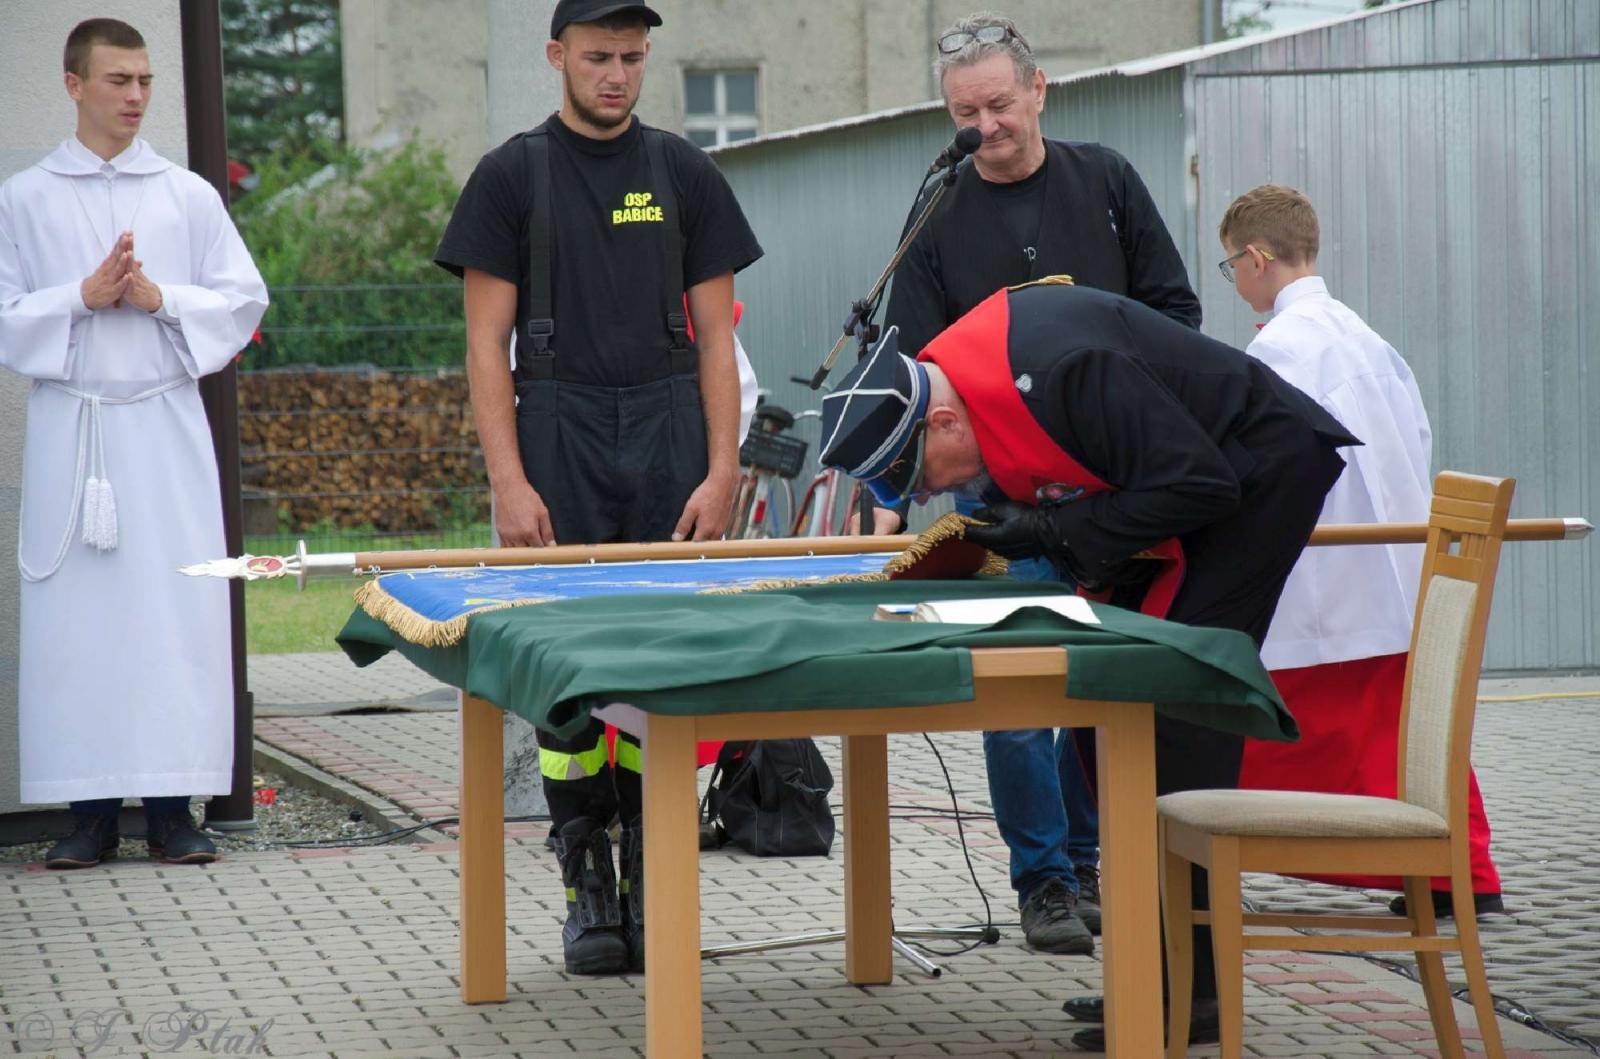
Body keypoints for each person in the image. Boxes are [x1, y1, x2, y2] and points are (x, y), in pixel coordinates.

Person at [818, 279, 1358, 1049]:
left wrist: (1048, 525)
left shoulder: (1066, 372)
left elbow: (1202, 483)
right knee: (1118, 723)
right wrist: (1046, 527)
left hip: (1263, 474)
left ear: (941, 416)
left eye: (923, 474)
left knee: (1173, 714)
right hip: (1210, 484)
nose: (936, 493)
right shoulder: (975, 373)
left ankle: (1187, 994)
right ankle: (1153, 969)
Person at [432, 0, 762, 977]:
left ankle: (656, 866)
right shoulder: (509, 178)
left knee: (659, 661)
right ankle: (589, 875)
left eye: (630, 57)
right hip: (558, 431)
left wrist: (722, 465)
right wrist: (507, 477)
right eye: (596, 56)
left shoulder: (682, 173)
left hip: (667, 434)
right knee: (571, 672)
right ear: (556, 57)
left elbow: (714, 341)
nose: (615, 74)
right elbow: (485, 345)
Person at [878, 10, 1204, 955]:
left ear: (1039, 88)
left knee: (1099, 683)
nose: (985, 125)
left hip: (1117, 493)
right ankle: (1045, 881)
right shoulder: (937, 212)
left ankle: (1092, 856)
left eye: (999, 104)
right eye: (965, 111)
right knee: (1015, 696)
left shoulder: (1106, 180)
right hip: (1001, 500)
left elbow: (1176, 313)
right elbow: (913, 361)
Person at [0, 19, 268, 868]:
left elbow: (242, 299)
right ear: (73, 84)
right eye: (117, 80)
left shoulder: (186, 195)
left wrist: (157, 299)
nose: (135, 96)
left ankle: (173, 808)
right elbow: (5, 318)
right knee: (82, 625)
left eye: (145, 80)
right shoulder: (25, 197)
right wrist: (81, 295)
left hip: (164, 428)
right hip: (75, 432)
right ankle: (87, 815)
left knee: (172, 613)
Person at [1220, 184, 1505, 916]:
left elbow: (1258, 466)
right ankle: (1456, 871)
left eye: (1230, 266)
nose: (1233, 281)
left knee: (1267, 734)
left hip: (1332, 571)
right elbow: (1416, 438)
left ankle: (1210, 847)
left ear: (1256, 259)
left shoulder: (1278, 347)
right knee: (1406, 734)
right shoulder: (1365, 335)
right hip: (1397, 565)